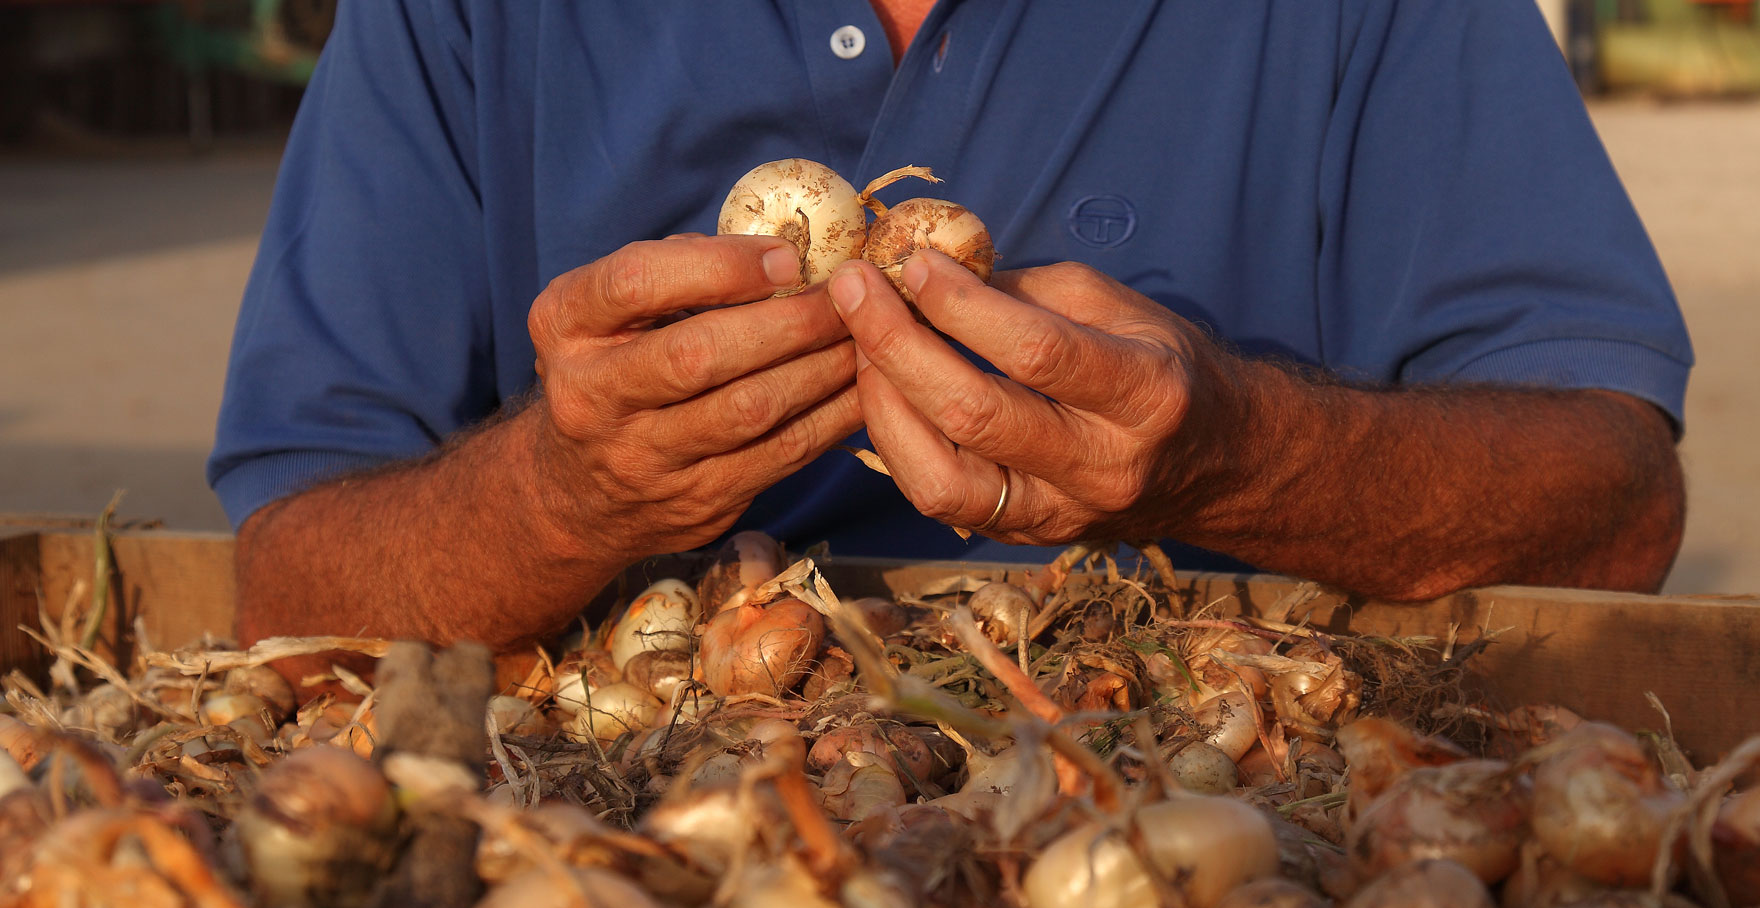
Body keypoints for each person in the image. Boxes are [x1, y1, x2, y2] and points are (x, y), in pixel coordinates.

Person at [209, 0, 1690, 660]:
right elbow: (286, 573)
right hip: (617, 846)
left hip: (1181, 824)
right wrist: (558, 494)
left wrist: (1234, 453)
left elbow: (1617, 512)